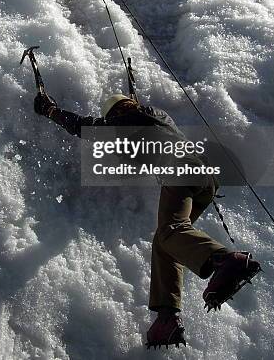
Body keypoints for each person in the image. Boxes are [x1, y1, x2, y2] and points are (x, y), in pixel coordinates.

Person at [34, 92, 261, 349]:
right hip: (203, 176)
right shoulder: (159, 116)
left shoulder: (120, 124)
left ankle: (224, 259)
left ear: (115, 113)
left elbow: (83, 127)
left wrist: (51, 111)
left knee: (170, 231)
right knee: (166, 241)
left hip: (179, 171)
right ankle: (167, 317)